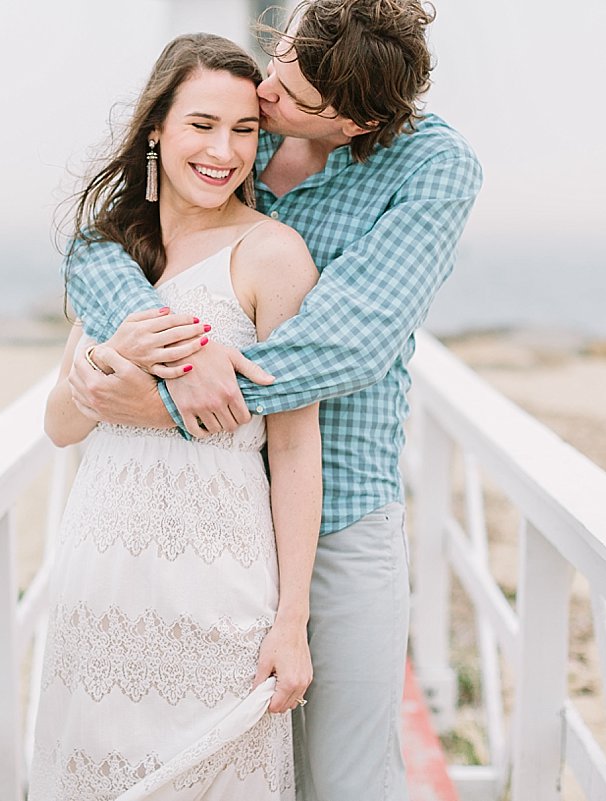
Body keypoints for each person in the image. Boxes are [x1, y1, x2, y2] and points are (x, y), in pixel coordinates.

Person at [66, 2, 483, 799]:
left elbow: (348, 343)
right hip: (215, 527)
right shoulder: (238, 138)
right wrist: (157, 338)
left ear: (356, 121)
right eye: (278, 59)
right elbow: (103, 243)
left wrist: (170, 401)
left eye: (294, 100)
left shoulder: (432, 168)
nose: (264, 96)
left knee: (344, 776)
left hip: (336, 515)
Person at [29, 33, 322, 801]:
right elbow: (61, 424)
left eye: (244, 129)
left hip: (217, 587)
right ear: (156, 126)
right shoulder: (118, 255)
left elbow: (293, 448)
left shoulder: (273, 254)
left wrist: (292, 619)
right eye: (201, 124)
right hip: (100, 578)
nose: (223, 150)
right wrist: (107, 358)